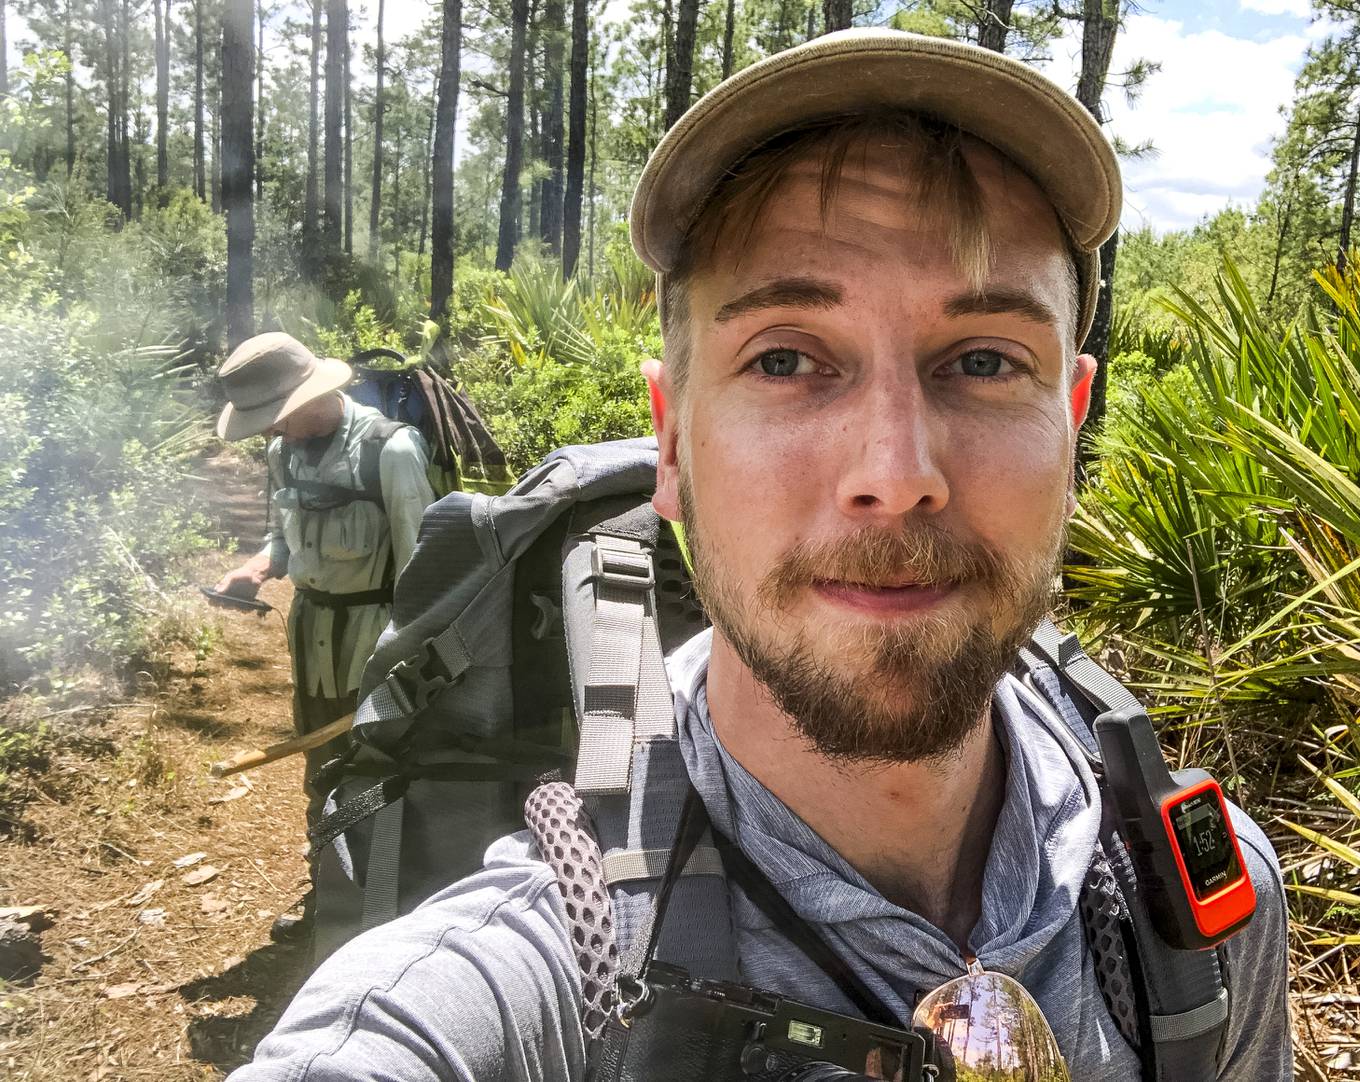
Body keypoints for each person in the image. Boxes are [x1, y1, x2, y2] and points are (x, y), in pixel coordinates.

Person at [233, 29, 1291, 1080]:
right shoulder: (508, 1001)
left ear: (1071, 426)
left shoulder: (1206, 909)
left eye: (982, 360)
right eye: (786, 358)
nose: (896, 468)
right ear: (676, 442)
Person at [213, 332, 434, 935]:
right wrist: (260, 565)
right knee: (321, 767)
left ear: (315, 396)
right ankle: (329, 893)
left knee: (374, 770)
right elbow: (284, 533)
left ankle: (383, 901)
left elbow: (425, 565)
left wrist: (405, 663)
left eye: (274, 418)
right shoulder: (285, 451)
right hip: (310, 639)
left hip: (375, 643)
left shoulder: (392, 451)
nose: (268, 432)